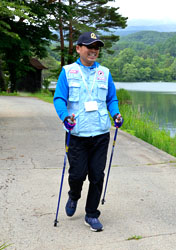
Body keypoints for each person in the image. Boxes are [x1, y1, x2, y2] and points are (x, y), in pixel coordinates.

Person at [53, 31, 123, 232]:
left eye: (96, 47)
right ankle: (73, 195)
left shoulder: (105, 73)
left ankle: (91, 214)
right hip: (77, 134)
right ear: (78, 48)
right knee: (77, 175)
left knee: (97, 175)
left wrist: (116, 114)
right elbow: (59, 99)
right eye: (89, 46)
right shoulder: (68, 72)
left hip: (100, 133)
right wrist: (65, 116)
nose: (93, 50)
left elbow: (111, 99)